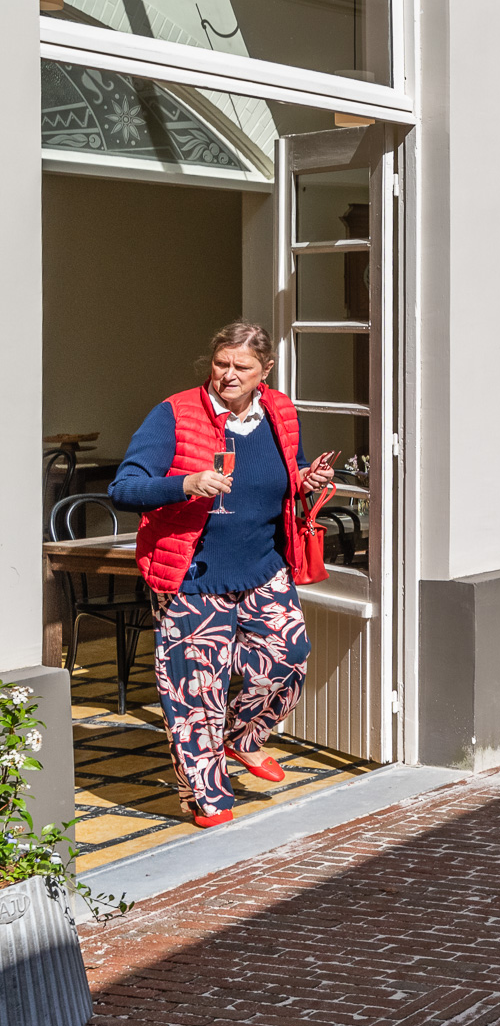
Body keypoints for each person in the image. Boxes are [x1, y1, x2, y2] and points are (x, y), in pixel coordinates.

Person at [110, 322, 335, 830]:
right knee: (196, 692)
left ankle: (242, 739)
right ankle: (206, 797)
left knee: (288, 656)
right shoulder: (174, 413)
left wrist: (306, 479)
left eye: (242, 367)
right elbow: (124, 488)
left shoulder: (279, 411)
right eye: (221, 364)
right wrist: (185, 482)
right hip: (192, 574)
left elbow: (282, 477)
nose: (228, 375)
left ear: (266, 372)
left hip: (261, 565)